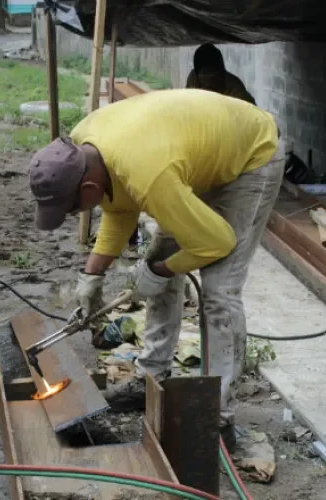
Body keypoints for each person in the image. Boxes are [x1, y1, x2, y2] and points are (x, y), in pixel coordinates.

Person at [26, 88, 284, 450]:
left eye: (72, 209)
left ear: (87, 184)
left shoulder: (147, 173)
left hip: (250, 157)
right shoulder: (86, 143)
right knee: (155, 258)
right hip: (193, 157)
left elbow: (216, 243)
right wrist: (91, 275)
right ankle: (152, 375)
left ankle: (216, 416)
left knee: (218, 289)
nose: (75, 215)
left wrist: (162, 270)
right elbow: (119, 208)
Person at [185, 43, 257, 105]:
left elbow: (252, 113)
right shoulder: (193, 80)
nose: (208, 83)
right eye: (204, 74)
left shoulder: (235, 90)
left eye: (212, 74)